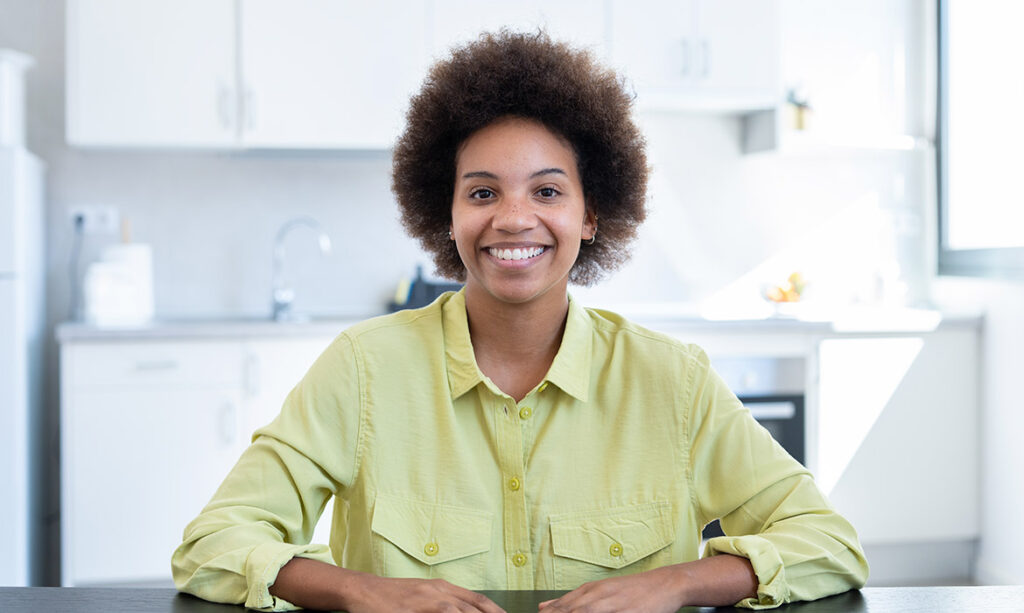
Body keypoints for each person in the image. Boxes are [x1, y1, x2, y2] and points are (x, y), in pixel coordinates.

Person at [172, 30, 868, 612]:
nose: (512, 217)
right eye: (482, 191)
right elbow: (213, 542)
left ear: (590, 214)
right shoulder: (364, 368)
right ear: (446, 214)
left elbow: (828, 541)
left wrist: (680, 581)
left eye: (547, 190)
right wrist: (362, 590)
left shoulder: (670, 381)